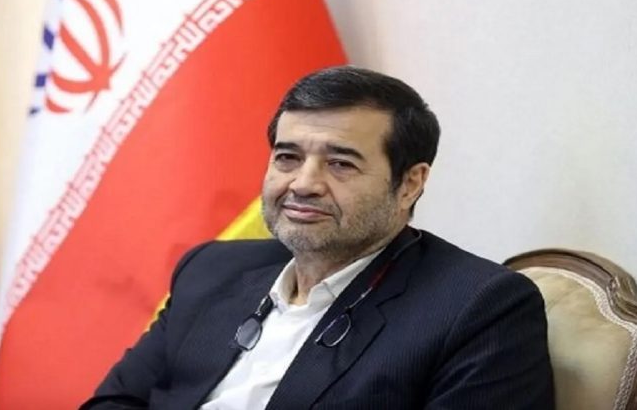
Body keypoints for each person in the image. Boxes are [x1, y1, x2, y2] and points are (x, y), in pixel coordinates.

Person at [81, 66, 554, 409]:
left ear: (410, 183)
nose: (304, 183)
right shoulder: (211, 270)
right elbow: (114, 401)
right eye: (287, 158)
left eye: (340, 164)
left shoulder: (477, 308)